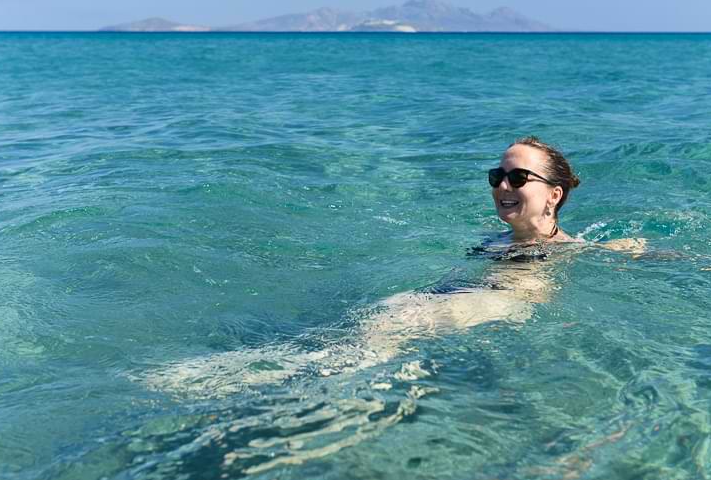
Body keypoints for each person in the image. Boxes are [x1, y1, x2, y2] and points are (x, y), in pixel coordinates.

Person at [138, 136, 645, 397]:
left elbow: (622, 256)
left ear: (554, 193)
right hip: (469, 298)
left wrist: (640, 251)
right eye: (497, 174)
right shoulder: (493, 239)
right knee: (380, 319)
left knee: (392, 321)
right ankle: (279, 372)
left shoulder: (572, 246)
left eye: (518, 176)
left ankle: (290, 385)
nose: (502, 186)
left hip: (514, 301)